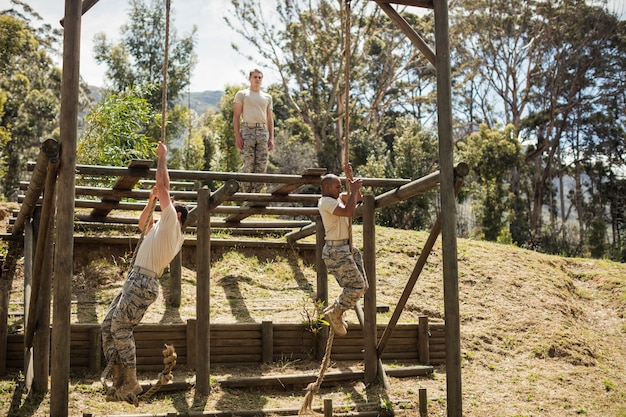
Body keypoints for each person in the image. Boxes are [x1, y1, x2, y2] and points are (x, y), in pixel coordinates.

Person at [100, 141, 188, 402]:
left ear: (179, 215)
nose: (167, 203)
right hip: (135, 279)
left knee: (121, 327)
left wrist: (162, 157)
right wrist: (150, 201)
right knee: (107, 325)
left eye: (171, 204)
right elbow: (142, 224)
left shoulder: (173, 225)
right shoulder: (161, 227)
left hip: (144, 281)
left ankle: (131, 381)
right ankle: (119, 380)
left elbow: (163, 186)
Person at [318, 163, 368, 336]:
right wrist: (352, 190)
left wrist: (350, 178)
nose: (340, 189)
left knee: (363, 286)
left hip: (346, 248)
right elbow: (348, 212)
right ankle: (336, 312)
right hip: (336, 251)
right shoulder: (325, 202)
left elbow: (358, 198)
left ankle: (336, 308)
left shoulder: (337, 198)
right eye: (337, 186)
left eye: (341, 186)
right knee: (357, 286)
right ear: (326, 188)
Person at [233, 68, 274, 193]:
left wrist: (271, 138)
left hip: (262, 131)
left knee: (261, 165)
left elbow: (270, 119)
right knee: (248, 163)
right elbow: (236, 116)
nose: (257, 79)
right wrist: (238, 136)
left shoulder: (267, 97)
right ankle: (247, 194)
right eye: (255, 77)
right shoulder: (242, 94)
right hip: (247, 129)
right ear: (249, 78)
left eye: (260, 77)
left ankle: (256, 195)